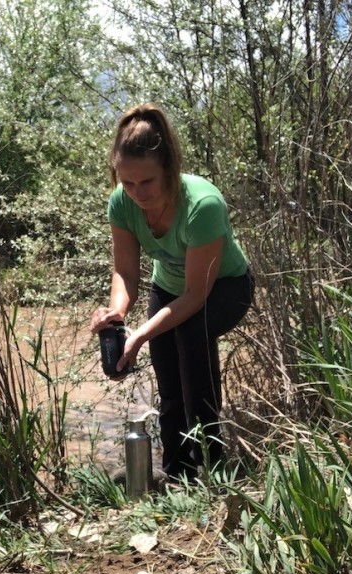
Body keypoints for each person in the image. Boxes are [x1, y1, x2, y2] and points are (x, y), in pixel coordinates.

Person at [90, 103, 254, 482]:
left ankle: (214, 467)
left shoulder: (203, 204)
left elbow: (197, 296)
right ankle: (178, 472)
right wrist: (117, 315)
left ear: (169, 168)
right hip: (169, 286)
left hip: (225, 286)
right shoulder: (123, 202)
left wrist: (142, 334)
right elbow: (125, 272)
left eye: (146, 182)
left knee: (190, 337)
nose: (136, 193)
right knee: (168, 373)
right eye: (127, 183)